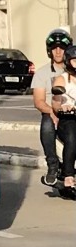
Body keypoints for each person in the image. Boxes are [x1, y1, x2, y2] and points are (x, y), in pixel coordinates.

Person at [32, 29, 73, 185]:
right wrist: (52, 111)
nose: (58, 51)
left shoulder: (73, 70)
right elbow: (39, 101)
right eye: (54, 48)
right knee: (47, 125)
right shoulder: (42, 73)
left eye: (61, 48)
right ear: (49, 50)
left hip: (73, 111)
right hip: (52, 112)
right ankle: (52, 165)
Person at [51, 43, 76, 189]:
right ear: (68, 61)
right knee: (72, 137)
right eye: (75, 60)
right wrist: (63, 107)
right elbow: (55, 103)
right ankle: (68, 175)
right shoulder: (62, 79)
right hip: (68, 119)